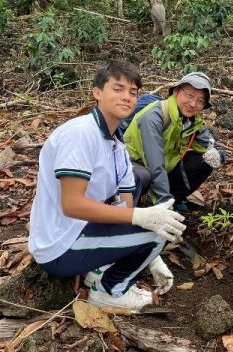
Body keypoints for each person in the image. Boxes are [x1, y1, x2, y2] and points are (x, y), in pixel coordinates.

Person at [28, 60, 186, 311]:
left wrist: (147, 250)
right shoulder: (80, 134)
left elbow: (125, 204)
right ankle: (109, 291)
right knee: (157, 232)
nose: (127, 97)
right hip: (60, 244)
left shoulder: (116, 145)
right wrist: (144, 222)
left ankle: (100, 269)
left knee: (142, 193)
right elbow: (72, 205)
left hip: (83, 230)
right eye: (118, 89)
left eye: (133, 93)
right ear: (97, 92)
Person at [124, 72, 226, 212]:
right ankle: (138, 210)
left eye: (200, 101)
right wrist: (165, 203)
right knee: (144, 176)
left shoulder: (192, 122)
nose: (193, 104)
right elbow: (155, 164)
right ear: (176, 91)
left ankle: (173, 197)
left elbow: (211, 146)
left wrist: (219, 155)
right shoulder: (154, 117)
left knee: (204, 162)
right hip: (136, 166)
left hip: (164, 167)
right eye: (190, 95)